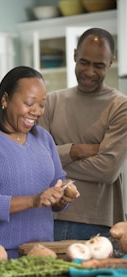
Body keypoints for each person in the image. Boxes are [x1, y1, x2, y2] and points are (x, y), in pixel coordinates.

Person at [0, 66, 80, 258]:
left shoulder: (43, 138)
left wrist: (61, 198)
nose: (37, 111)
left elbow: (56, 183)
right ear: (5, 100)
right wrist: (32, 200)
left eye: (41, 104)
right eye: (29, 103)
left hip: (40, 252)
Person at [38, 28, 127, 241]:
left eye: (99, 65)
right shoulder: (50, 102)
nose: (89, 72)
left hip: (98, 224)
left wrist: (55, 157)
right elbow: (37, 160)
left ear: (111, 62)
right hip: (49, 218)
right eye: (84, 62)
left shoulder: (120, 106)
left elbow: (107, 170)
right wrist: (76, 150)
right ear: (74, 55)